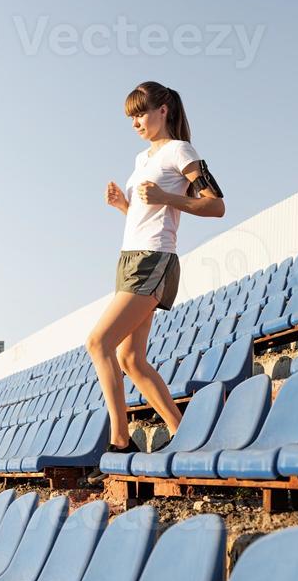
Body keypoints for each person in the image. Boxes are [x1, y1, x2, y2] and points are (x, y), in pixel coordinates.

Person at [84, 81, 225, 484]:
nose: (136, 122)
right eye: (131, 117)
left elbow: (216, 204)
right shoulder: (141, 158)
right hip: (130, 258)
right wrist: (123, 207)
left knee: (98, 343)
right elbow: (145, 214)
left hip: (154, 260)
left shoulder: (181, 150)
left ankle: (119, 442)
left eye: (142, 113)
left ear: (163, 110)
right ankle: (185, 434)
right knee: (130, 359)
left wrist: (169, 197)